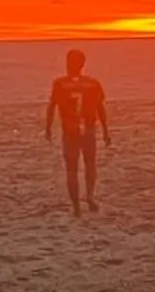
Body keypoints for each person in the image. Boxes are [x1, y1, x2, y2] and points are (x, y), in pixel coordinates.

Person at [44, 48, 111, 215]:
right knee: (90, 165)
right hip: (87, 129)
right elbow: (100, 108)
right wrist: (105, 130)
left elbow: (52, 106)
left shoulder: (60, 84)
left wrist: (48, 128)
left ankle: (76, 205)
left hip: (71, 130)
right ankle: (89, 195)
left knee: (72, 168)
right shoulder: (93, 83)